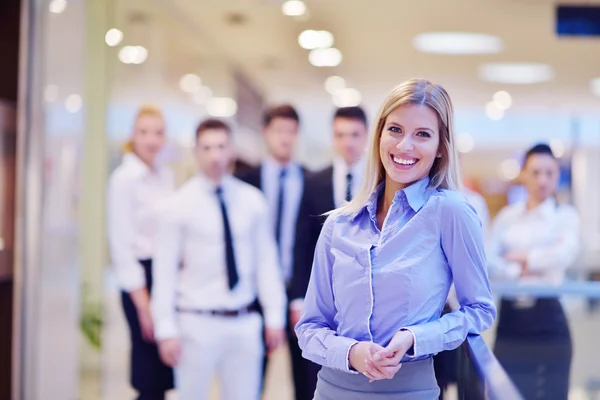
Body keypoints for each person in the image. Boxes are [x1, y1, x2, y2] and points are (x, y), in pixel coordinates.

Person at [295, 78, 496, 400]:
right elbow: (309, 328)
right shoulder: (338, 224)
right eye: (396, 130)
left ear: (441, 146)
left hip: (410, 390)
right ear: (378, 136)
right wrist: (351, 352)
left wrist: (415, 337)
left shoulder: (451, 212)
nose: (404, 146)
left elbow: (480, 309)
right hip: (332, 390)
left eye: (423, 135)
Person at [151, 119, 287, 400]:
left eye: (221, 146)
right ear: (196, 152)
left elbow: (266, 262)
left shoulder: (252, 201)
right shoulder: (177, 206)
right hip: (195, 321)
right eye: (207, 147)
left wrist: (275, 316)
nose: (215, 155)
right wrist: (165, 328)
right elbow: (163, 272)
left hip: (244, 321)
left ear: (232, 151)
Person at [488, 143, 580, 400]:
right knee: (505, 392)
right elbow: (489, 260)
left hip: (549, 322)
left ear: (557, 175)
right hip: (510, 324)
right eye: (536, 172)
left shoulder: (565, 216)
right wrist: (520, 270)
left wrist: (518, 257)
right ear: (524, 174)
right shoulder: (507, 216)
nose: (542, 180)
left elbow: (562, 255)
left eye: (549, 173)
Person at [235, 105, 308, 398]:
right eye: (279, 131)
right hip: (252, 293)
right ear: (266, 133)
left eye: (291, 131)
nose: (285, 138)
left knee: (305, 382)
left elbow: (314, 244)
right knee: (249, 381)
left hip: (297, 293)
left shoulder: (311, 180)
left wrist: (302, 294)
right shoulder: (243, 181)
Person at [107, 105, 175, 400]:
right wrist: (143, 303)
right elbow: (121, 245)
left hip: (164, 273)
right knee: (147, 372)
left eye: (158, 133)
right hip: (140, 279)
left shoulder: (164, 175)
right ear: (132, 135)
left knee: (163, 371)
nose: (151, 140)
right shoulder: (124, 179)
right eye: (144, 132)